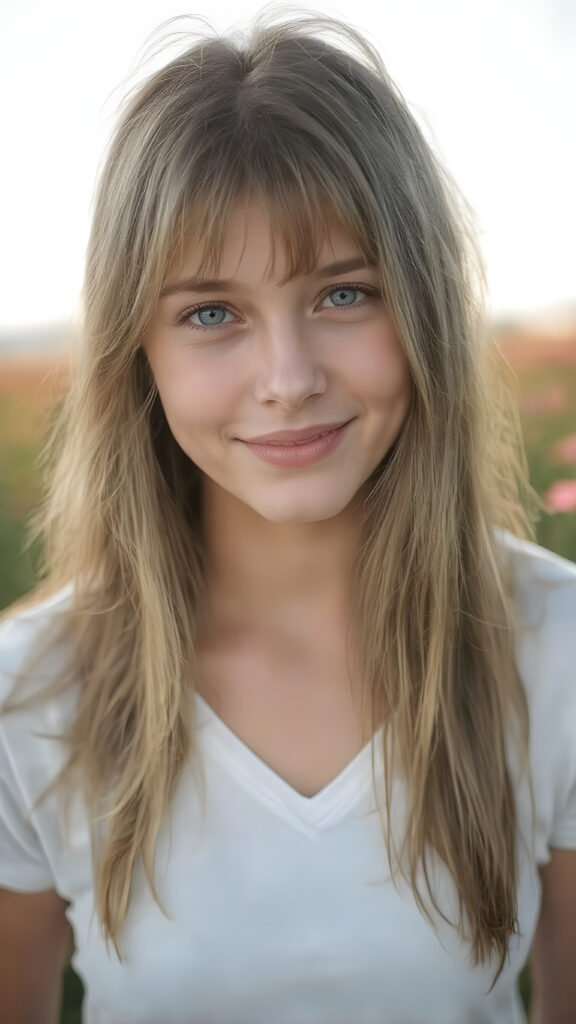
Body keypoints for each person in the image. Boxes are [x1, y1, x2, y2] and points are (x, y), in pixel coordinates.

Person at [1, 11, 575, 1024]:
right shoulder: (31, 696)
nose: (288, 379)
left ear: (425, 313)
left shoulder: (556, 647)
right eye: (211, 313)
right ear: (138, 350)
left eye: (345, 294)